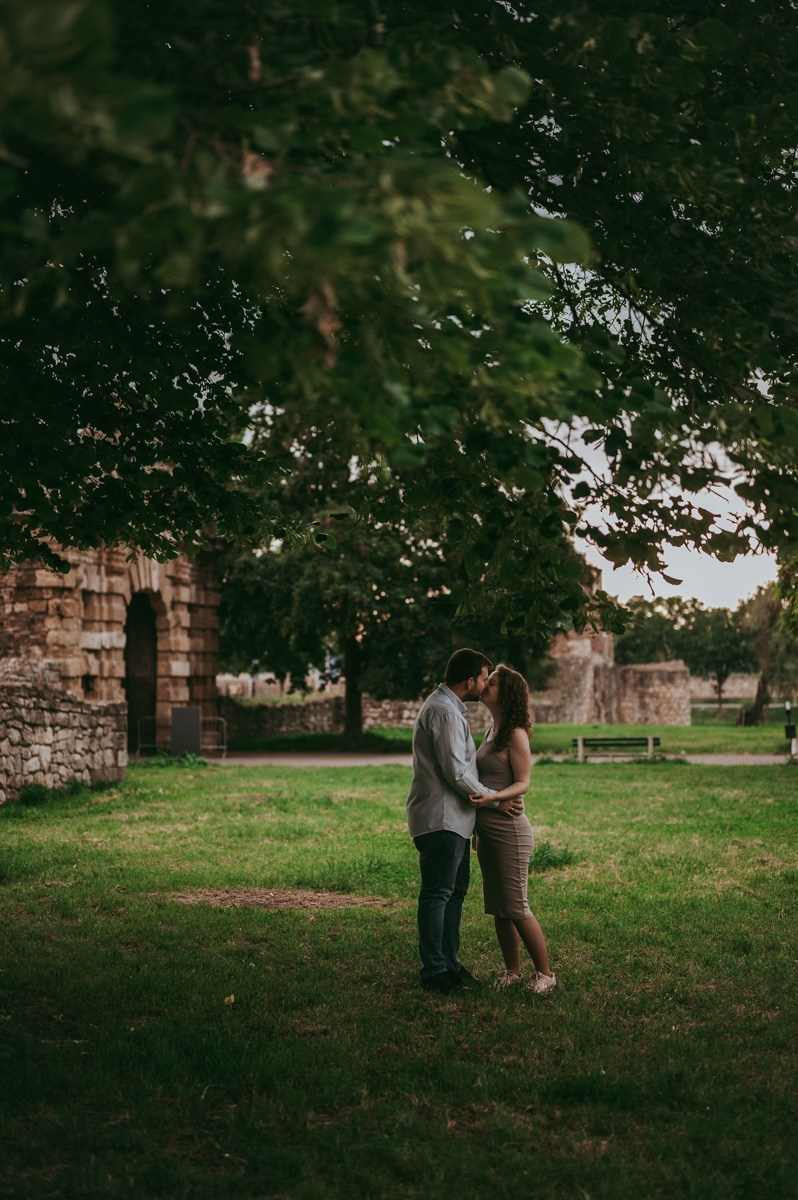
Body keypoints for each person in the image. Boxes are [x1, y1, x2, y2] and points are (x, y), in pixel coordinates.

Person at [407, 648, 523, 994]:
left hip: (455, 820)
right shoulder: (443, 712)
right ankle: (435, 971)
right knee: (438, 894)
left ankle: (451, 965)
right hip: (441, 819)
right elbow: (456, 772)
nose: (485, 685)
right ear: (470, 681)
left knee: (453, 894)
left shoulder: (449, 709)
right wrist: (495, 800)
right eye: (484, 678)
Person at [469, 663, 557, 994]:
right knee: (499, 907)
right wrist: (478, 826)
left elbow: (523, 782)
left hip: (510, 831)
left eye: (491, 683)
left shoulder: (516, 734)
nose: (484, 686)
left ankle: (546, 974)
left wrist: (493, 798)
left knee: (516, 905)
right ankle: (512, 972)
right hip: (488, 831)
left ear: (505, 694)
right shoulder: (492, 731)